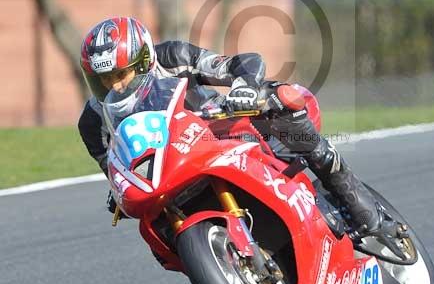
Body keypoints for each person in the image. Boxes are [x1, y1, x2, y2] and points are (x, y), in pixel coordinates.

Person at [78, 16, 397, 242]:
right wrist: (117, 184)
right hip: (168, 162)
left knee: (281, 101)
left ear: (144, 60)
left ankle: (363, 211)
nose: (115, 85)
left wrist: (243, 87)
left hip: (218, 128)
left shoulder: (172, 57)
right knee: (149, 217)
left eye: (122, 74)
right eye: (104, 80)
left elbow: (237, 63)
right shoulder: (93, 118)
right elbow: (108, 160)